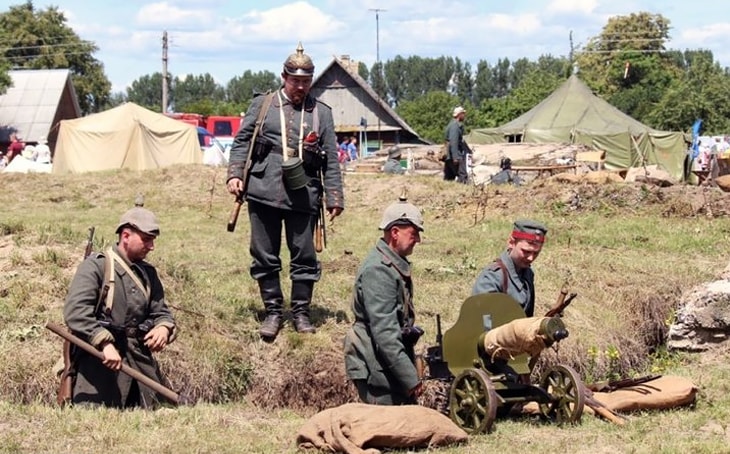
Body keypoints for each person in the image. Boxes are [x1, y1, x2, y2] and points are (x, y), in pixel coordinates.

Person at [226, 42, 345, 340]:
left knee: (304, 256)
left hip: (303, 194)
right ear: (284, 77)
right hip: (263, 189)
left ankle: (301, 313)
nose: (301, 88)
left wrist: (334, 196)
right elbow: (241, 142)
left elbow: (331, 157)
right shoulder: (263, 105)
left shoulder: (322, 113)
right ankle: (273, 312)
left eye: (306, 82)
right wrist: (234, 175)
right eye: (296, 81)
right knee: (264, 254)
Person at [63, 206, 177, 408]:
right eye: (146, 239)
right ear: (126, 236)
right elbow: (76, 313)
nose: (151, 247)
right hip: (98, 366)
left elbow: (161, 312)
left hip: (140, 364)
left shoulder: (148, 273)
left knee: (162, 415)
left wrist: (163, 328)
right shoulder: (96, 266)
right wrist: (105, 344)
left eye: (152, 240)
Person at [343, 196, 425, 405]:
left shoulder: (391, 264)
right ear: (395, 232)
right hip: (375, 361)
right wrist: (410, 378)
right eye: (413, 234)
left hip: (385, 358)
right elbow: (385, 332)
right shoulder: (379, 270)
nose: (417, 240)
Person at [471, 220, 548, 317]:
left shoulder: (528, 273)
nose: (531, 258)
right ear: (511, 242)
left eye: (536, 253)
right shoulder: (492, 278)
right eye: (526, 251)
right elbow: (481, 322)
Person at [443, 106, 470, 184]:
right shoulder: (455, 126)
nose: (464, 116)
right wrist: (455, 157)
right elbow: (454, 142)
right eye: (463, 114)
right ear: (459, 114)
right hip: (455, 155)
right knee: (462, 175)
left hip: (449, 155)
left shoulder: (451, 124)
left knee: (449, 177)